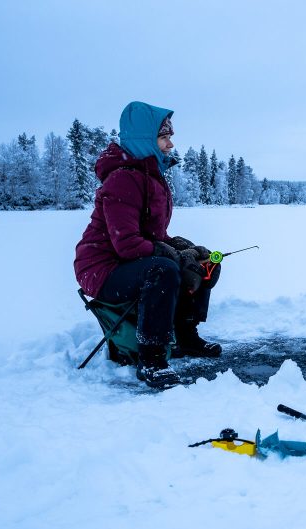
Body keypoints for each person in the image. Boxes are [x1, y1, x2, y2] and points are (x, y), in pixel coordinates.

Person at [74, 101, 221, 389]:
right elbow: (127, 244)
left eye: (170, 137)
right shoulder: (122, 179)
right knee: (163, 270)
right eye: (165, 137)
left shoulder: (149, 177)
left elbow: (152, 235)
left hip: (129, 262)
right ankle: (151, 359)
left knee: (205, 264)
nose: (171, 144)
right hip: (101, 269)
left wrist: (182, 247)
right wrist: (171, 254)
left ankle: (186, 337)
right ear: (145, 140)